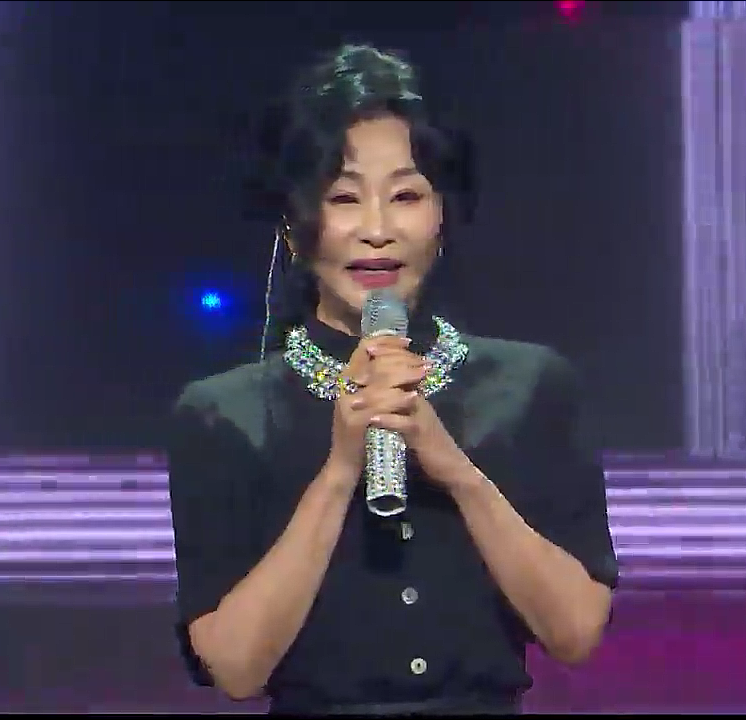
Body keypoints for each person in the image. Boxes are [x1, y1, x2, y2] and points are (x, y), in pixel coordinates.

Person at [167, 44, 619, 716]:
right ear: (293, 226)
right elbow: (234, 667)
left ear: (442, 218)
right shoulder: (225, 415)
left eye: (406, 195)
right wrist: (340, 470)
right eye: (344, 198)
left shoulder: (531, 388)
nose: (377, 230)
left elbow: (576, 632)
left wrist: (454, 469)